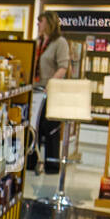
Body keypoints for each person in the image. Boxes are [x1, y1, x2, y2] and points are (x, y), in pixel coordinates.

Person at [33, 11, 71, 174]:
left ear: (48, 23)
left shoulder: (59, 43)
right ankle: (31, 162)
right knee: (34, 127)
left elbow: (63, 67)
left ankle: (52, 166)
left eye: (40, 22)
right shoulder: (38, 42)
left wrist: (50, 84)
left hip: (51, 92)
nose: (38, 25)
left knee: (50, 128)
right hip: (35, 90)